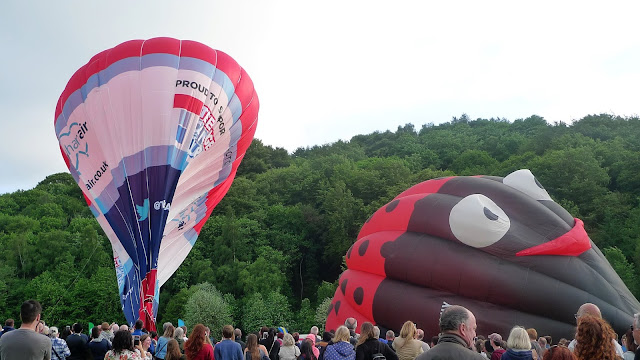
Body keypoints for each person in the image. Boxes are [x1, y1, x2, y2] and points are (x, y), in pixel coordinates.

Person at [415, 305, 484, 360]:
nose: (475, 334)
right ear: (463, 328)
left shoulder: (421, 358)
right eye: (473, 329)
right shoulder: (478, 358)